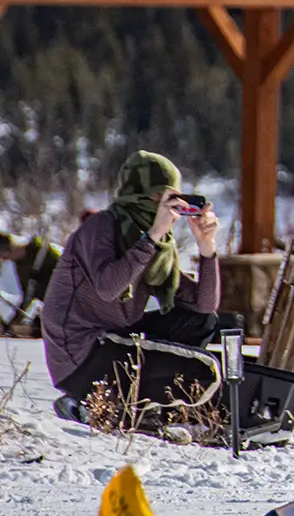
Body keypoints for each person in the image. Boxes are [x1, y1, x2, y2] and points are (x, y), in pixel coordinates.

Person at [42, 151, 223, 421]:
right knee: (202, 372)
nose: (163, 207)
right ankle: (91, 404)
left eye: (172, 199)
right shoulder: (101, 226)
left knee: (202, 321)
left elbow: (204, 306)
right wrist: (152, 236)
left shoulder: (158, 246)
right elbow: (108, 288)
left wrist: (207, 247)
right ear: (134, 193)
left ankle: (135, 406)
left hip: (116, 337)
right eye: (157, 197)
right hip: (81, 354)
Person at [0, 232, 61, 335]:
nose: (4, 260)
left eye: (2, 256)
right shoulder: (20, 264)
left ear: (8, 250)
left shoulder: (44, 252)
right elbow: (28, 295)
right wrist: (12, 324)